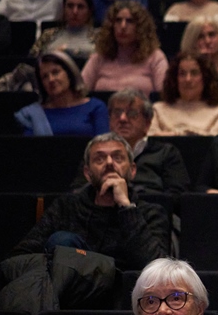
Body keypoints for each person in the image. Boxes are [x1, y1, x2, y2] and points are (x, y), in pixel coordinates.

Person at [11, 133, 170, 269]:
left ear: (133, 170)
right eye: (99, 159)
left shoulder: (151, 212)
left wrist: (126, 207)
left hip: (123, 295)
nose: (109, 163)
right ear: (87, 173)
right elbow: (21, 255)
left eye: (117, 157)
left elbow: (157, 269)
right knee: (63, 241)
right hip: (67, 293)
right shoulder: (67, 207)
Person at [97, 89, 191, 194]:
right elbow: (78, 192)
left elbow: (178, 196)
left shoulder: (166, 153)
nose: (122, 118)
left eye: (132, 113)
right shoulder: (97, 152)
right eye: (117, 113)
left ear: (147, 124)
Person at [81, 0, 168, 95]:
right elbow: (79, 92)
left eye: (130, 21)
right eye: (118, 20)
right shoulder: (99, 56)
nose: (123, 26)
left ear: (140, 27)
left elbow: (164, 97)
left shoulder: (155, 57)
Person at [18, 51, 108, 137]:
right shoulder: (34, 114)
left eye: (55, 72)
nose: (51, 79)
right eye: (45, 76)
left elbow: (105, 145)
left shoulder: (95, 107)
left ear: (69, 73)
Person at [150, 52, 218, 136]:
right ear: (174, 79)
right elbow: (148, 140)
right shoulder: (158, 110)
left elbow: (217, 143)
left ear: (206, 78)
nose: (188, 79)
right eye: (182, 74)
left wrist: (174, 134)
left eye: (194, 73)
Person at [29, 0, 97, 59]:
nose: (75, 11)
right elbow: (30, 63)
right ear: (64, 9)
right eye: (70, 6)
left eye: (80, 7)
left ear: (89, 11)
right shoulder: (48, 35)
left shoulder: (100, 38)